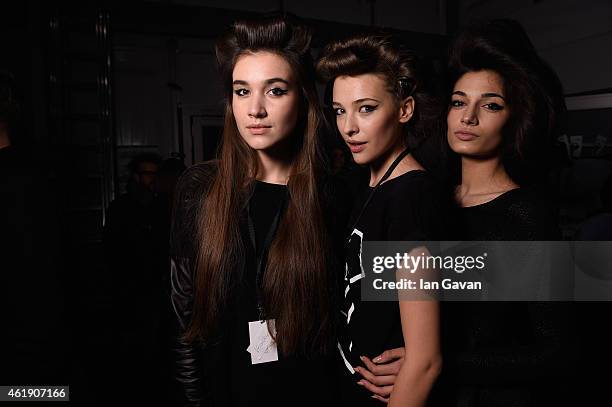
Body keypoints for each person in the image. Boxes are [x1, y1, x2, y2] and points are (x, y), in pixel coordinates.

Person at [358, 19, 576, 407]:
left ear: (514, 118)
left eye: (490, 105)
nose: (468, 117)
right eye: (459, 102)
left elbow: (555, 352)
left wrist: (432, 363)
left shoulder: (526, 214)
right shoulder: (428, 196)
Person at [170, 16, 342, 406]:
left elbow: (372, 299)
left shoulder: (332, 196)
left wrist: (408, 350)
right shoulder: (199, 190)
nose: (256, 110)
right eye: (242, 91)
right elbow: (184, 318)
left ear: (303, 99)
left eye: (275, 90)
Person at [316, 33, 445, 407]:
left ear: (404, 110)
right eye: (340, 110)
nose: (349, 127)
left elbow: (425, 361)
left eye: (366, 108)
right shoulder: (371, 184)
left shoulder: (410, 196)